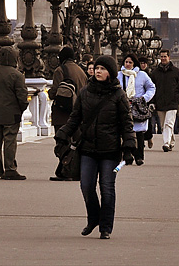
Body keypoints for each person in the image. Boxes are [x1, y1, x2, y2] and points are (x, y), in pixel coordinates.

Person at [54, 54, 134, 240]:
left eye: (103, 69)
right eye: (97, 68)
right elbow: (75, 118)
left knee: (107, 188)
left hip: (111, 151)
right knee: (86, 186)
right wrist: (62, 135)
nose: (98, 71)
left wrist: (129, 147)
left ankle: (105, 227)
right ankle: (93, 218)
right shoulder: (85, 92)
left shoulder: (118, 95)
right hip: (88, 149)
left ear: (111, 73)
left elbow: (126, 124)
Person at [0, 45, 29, 180]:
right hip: (12, 113)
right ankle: (10, 169)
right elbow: (22, 96)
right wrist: (21, 108)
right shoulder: (17, 75)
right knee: (10, 141)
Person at [47, 46, 88, 181]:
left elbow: (56, 91)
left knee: (62, 141)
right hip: (78, 112)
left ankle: (67, 170)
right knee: (75, 142)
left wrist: (49, 93)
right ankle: (75, 170)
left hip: (63, 112)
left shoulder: (60, 70)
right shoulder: (81, 71)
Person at [116, 54, 155, 165]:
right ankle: (127, 154)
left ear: (134, 64)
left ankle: (139, 156)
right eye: (126, 62)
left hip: (138, 107)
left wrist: (144, 98)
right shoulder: (119, 75)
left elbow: (151, 87)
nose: (128, 64)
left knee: (139, 133)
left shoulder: (142, 75)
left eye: (130, 62)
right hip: (123, 106)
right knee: (126, 131)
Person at [151, 49, 179, 152]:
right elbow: (152, 88)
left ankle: (166, 143)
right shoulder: (155, 73)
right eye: (161, 57)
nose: (163, 59)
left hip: (173, 102)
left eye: (165, 56)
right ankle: (171, 141)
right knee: (164, 125)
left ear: (169, 57)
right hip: (160, 102)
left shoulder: (176, 72)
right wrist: (153, 102)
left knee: (169, 123)